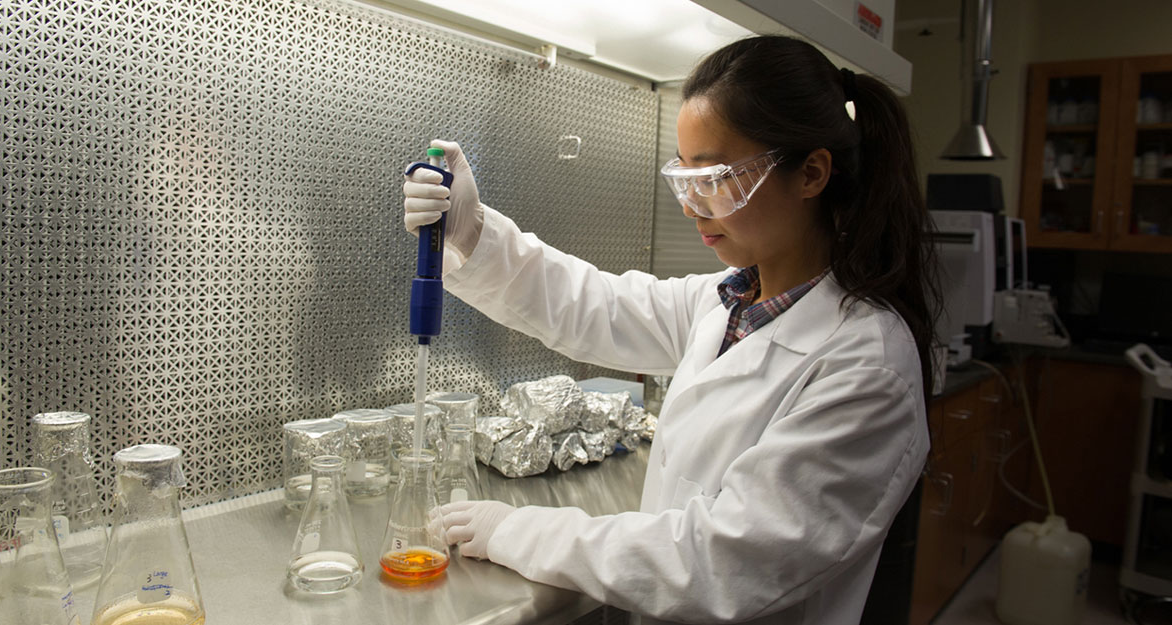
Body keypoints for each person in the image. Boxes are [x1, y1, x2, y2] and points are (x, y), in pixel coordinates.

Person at [402, 35, 940, 625]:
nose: (692, 205)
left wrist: (518, 530)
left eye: (715, 177)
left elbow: (724, 562)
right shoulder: (729, 300)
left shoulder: (866, 365)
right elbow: (595, 306)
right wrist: (472, 233)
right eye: (685, 178)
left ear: (811, 173)